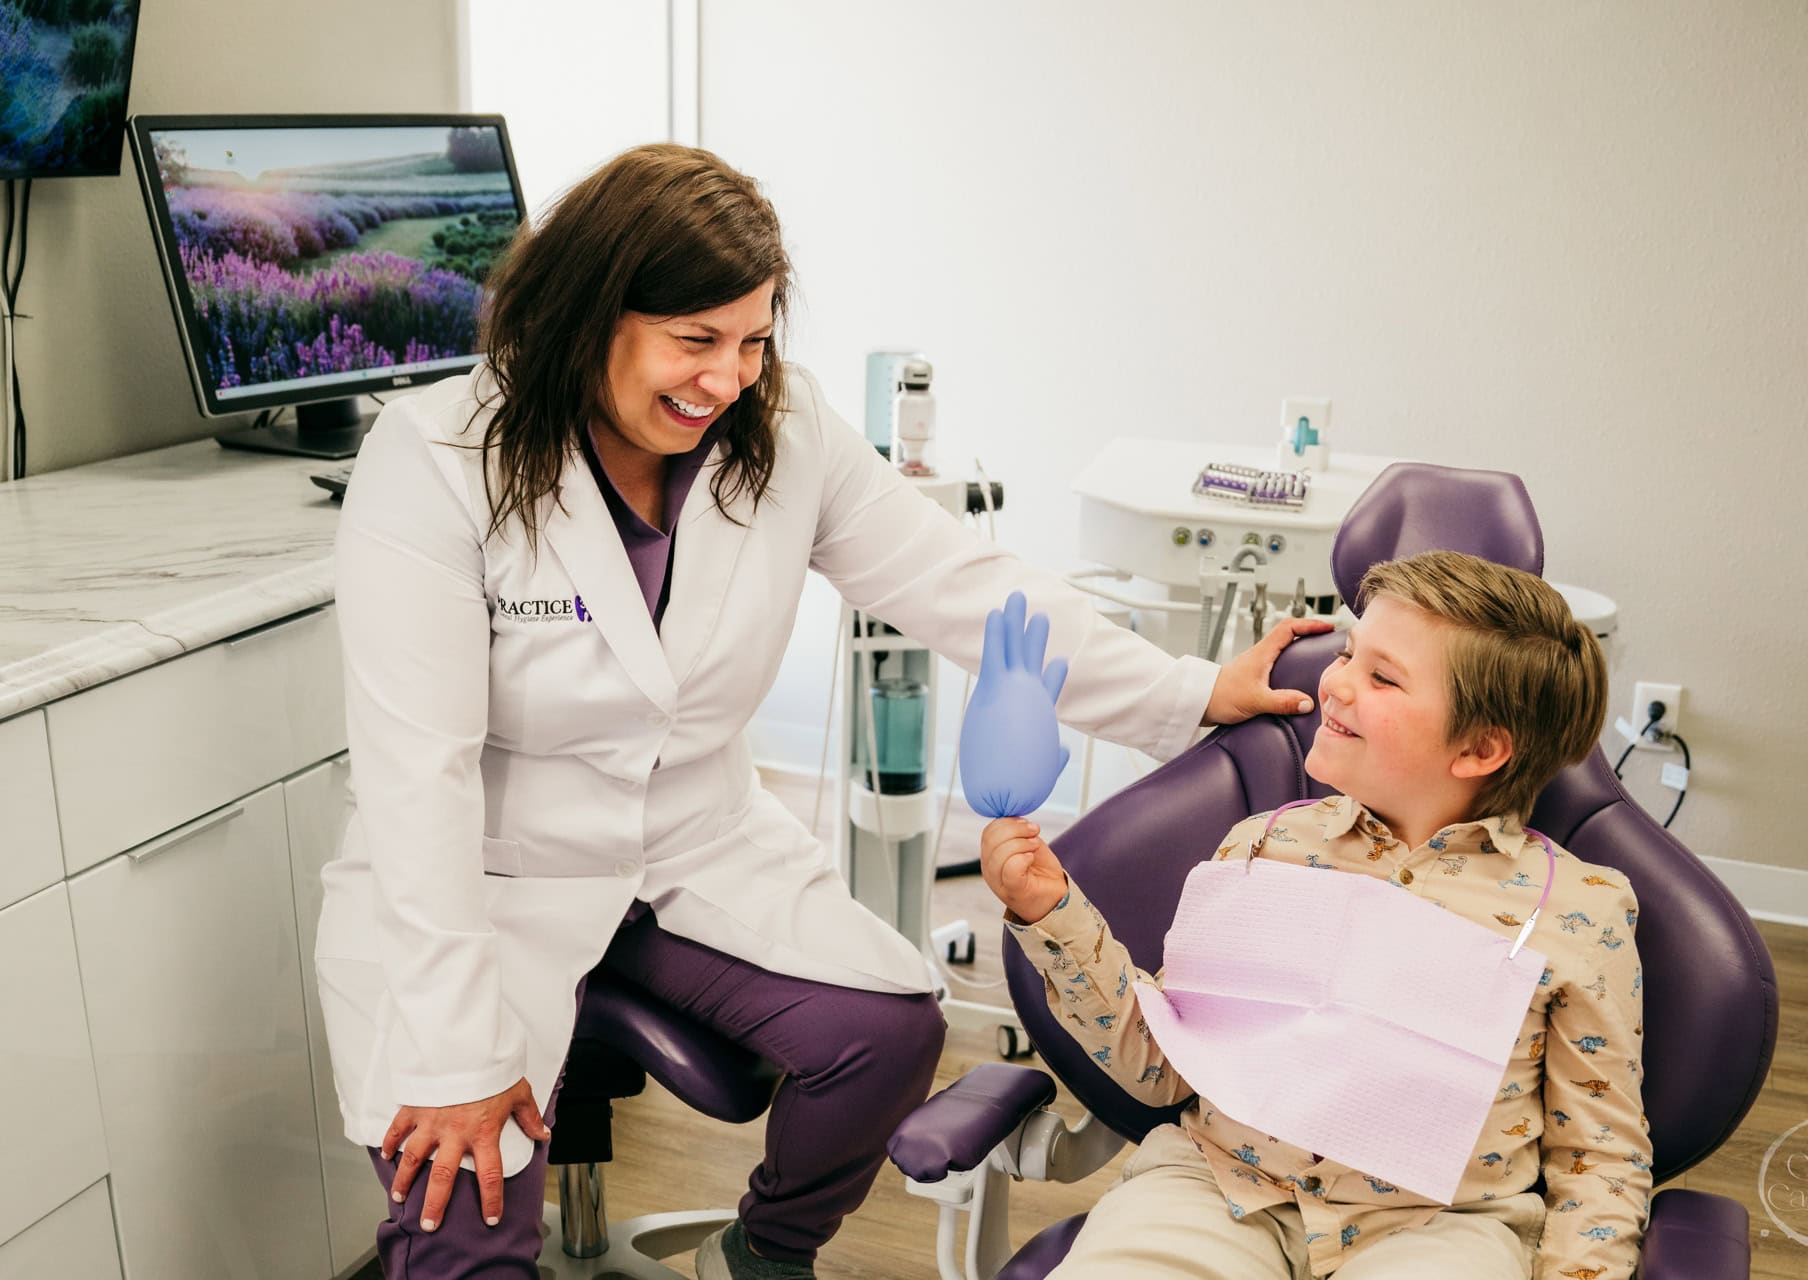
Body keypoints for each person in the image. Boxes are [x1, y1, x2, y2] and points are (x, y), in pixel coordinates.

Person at [313, 142, 1331, 1280]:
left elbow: (967, 587)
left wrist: (1193, 690)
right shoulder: (438, 459)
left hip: (689, 850)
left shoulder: (780, 429)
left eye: (751, 339)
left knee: (889, 1031)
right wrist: (454, 1052)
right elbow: (420, 775)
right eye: (695, 340)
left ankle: (762, 1253)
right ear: (588, 313)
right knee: (465, 1224)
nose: (728, 377)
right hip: (483, 883)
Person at [980, 550, 1648, 1280]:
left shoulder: (1578, 911)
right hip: (1215, 1187)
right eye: (1349, 654)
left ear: (1481, 748)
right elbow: (1161, 1070)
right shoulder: (1267, 846)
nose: (1336, 683)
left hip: (1440, 1229)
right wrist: (1053, 914)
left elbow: (1599, 1157)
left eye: (1382, 676)